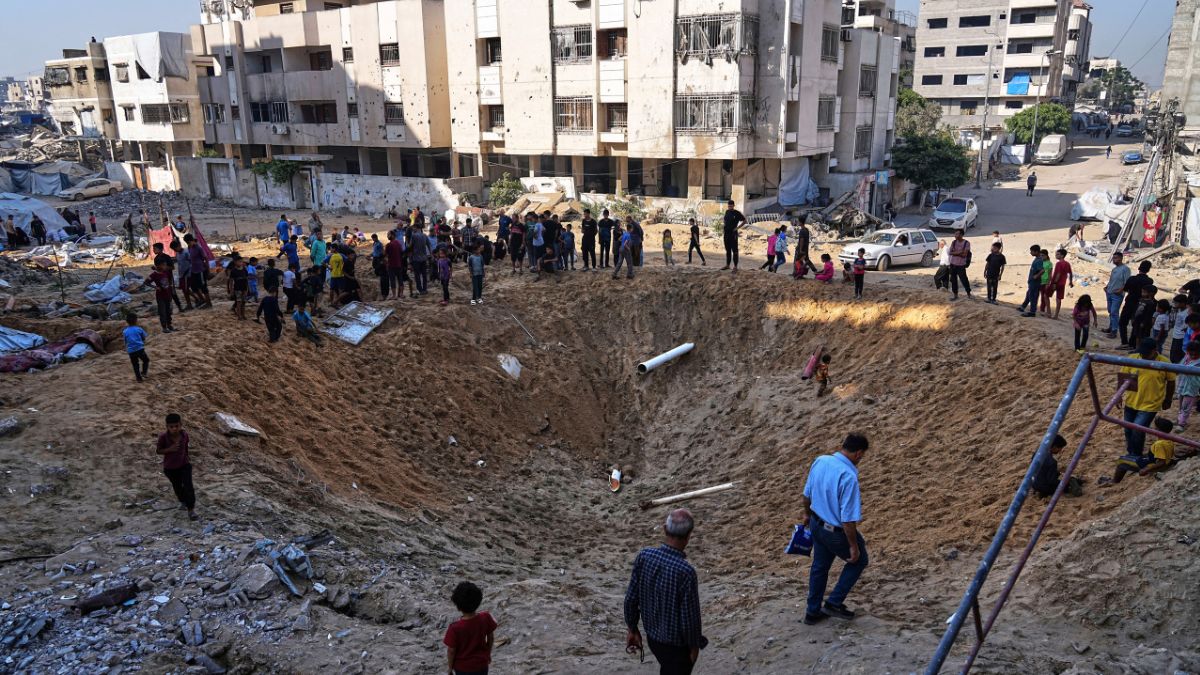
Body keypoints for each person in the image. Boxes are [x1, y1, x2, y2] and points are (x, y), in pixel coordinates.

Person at [624, 509, 706, 675]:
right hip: (676, 647)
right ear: (689, 536)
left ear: (664, 529)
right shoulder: (686, 572)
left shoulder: (644, 556)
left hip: (653, 639)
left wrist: (632, 628)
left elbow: (631, 598)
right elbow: (690, 619)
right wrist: (694, 646)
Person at [801, 433, 870, 625]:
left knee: (819, 567)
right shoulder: (848, 477)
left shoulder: (821, 460)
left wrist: (807, 515)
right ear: (858, 453)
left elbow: (806, 494)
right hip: (834, 531)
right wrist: (853, 547)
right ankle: (834, 602)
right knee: (859, 560)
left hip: (816, 522)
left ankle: (812, 611)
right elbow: (848, 520)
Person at [1117, 339, 1176, 457]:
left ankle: (1136, 455)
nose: (1142, 355)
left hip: (1150, 404)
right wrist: (1118, 396)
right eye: (1141, 353)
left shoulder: (1164, 362)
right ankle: (1131, 452)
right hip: (1131, 401)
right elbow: (1123, 378)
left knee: (1138, 430)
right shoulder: (1133, 358)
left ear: (1154, 350)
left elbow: (1171, 382)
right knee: (1128, 429)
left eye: (1146, 353)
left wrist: (1168, 399)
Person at [1100, 417, 1179, 486]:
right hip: (1154, 461)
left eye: (1156, 428)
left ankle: (1114, 481)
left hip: (1150, 465)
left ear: (1158, 430)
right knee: (1129, 457)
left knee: (1121, 461)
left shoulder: (1159, 444)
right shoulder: (1169, 441)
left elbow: (1162, 462)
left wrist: (1146, 469)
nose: (1154, 429)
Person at [443, 581, 497, 675]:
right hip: (482, 665)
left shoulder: (454, 628)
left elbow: (451, 651)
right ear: (478, 601)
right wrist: (488, 654)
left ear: (458, 607)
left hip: (462, 669)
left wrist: (450, 668)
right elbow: (490, 637)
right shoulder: (486, 617)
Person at [157, 413, 197, 521]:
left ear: (181, 425)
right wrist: (170, 449)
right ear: (167, 427)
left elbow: (185, 448)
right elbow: (158, 450)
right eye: (171, 427)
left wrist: (187, 457)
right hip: (170, 468)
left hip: (184, 465)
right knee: (178, 487)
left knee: (189, 486)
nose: (174, 428)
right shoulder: (163, 437)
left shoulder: (184, 435)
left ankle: (191, 510)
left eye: (177, 426)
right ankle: (183, 501)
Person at [1118, 261, 1153, 347]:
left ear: (1139, 268)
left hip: (1130, 302)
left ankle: (1124, 342)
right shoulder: (1149, 281)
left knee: (1123, 322)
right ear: (1148, 270)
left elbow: (1125, 289)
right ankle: (1132, 343)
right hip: (1142, 304)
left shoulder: (1132, 279)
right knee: (1136, 324)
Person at [1102, 252, 1131, 339]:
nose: (1114, 260)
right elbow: (1112, 280)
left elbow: (1127, 282)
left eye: (1116, 258)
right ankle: (1111, 328)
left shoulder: (1125, 269)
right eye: (1114, 258)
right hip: (1110, 292)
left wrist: (1121, 290)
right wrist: (1107, 287)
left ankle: (1114, 331)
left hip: (1117, 294)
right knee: (1111, 311)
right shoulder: (1114, 269)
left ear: (1121, 258)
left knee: (1114, 312)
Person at [143, 261, 176, 333]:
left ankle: (169, 325)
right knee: (162, 312)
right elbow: (146, 282)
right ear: (159, 266)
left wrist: (171, 290)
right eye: (164, 265)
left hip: (168, 294)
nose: (165, 267)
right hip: (160, 296)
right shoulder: (154, 275)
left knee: (168, 311)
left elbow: (169, 282)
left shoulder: (165, 272)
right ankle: (164, 327)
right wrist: (155, 287)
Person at [1177, 340, 1200, 430]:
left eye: (1196, 354)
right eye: (1191, 354)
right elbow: (1180, 365)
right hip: (1182, 384)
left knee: (1186, 406)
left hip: (1192, 387)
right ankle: (1179, 419)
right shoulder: (1186, 357)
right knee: (1180, 404)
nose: (1193, 356)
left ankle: (1182, 423)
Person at [1129, 284, 1158, 351]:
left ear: (1151, 293)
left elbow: (1149, 315)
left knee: (1142, 336)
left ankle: (1141, 349)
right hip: (1137, 321)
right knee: (1136, 335)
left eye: (1144, 292)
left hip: (1144, 324)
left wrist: (1144, 322)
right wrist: (1133, 318)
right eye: (1142, 292)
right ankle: (1136, 348)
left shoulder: (1152, 303)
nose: (1142, 293)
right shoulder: (1140, 300)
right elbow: (1135, 309)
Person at [123, 313, 150, 382]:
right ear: (136, 320)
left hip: (131, 351)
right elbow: (143, 337)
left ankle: (139, 378)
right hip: (139, 349)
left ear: (127, 321)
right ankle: (144, 372)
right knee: (146, 360)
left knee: (135, 364)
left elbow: (125, 341)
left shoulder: (125, 331)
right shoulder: (139, 329)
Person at [1018, 245, 1043, 317]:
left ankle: (1032, 312)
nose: (1030, 253)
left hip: (1035, 282)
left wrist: (1036, 276)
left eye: (1032, 251)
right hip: (1032, 281)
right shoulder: (1037, 258)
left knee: (1033, 296)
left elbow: (1042, 270)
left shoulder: (1039, 260)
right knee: (1029, 294)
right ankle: (1023, 307)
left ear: (1036, 251)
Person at [948, 229, 972, 301]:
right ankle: (955, 295)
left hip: (961, 265)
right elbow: (950, 252)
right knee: (953, 280)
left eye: (957, 234)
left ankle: (969, 294)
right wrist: (960, 252)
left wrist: (955, 252)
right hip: (953, 264)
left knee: (964, 280)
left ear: (961, 235)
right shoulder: (954, 242)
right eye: (955, 234)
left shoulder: (966, 243)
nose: (955, 236)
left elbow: (964, 254)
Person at [721, 199, 745, 272]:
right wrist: (724, 225)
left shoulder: (737, 213)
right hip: (726, 234)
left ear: (733, 206)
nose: (730, 207)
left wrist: (737, 228)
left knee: (734, 251)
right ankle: (727, 265)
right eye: (728, 206)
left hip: (733, 234)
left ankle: (735, 266)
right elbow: (725, 220)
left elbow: (744, 221)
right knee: (728, 250)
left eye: (731, 206)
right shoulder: (727, 212)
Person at [1049, 249, 1074, 319]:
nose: (1056, 255)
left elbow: (1058, 274)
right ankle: (1056, 315)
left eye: (1058, 254)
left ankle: (1048, 312)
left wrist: (1054, 283)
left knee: (1046, 295)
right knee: (1058, 299)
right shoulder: (1067, 264)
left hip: (1056, 283)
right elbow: (1070, 273)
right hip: (1062, 284)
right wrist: (1071, 282)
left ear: (1062, 255)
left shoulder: (1059, 263)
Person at [1168, 294, 1191, 363]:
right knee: (1172, 354)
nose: (1175, 304)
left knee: (1176, 356)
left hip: (1181, 336)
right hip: (1176, 335)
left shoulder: (1186, 313)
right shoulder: (1178, 310)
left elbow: (1187, 325)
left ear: (1183, 303)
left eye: (1176, 303)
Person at [411, 224, 431, 296]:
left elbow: (410, 246)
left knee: (417, 275)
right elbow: (429, 245)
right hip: (424, 258)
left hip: (416, 258)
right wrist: (430, 254)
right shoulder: (425, 236)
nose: (413, 229)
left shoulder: (414, 236)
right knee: (424, 274)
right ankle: (425, 289)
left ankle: (420, 289)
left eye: (413, 228)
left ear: (416, 228)